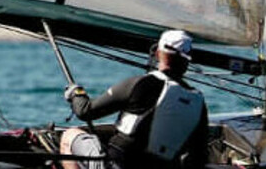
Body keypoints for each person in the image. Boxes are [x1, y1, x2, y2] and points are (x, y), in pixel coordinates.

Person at [59, 30, 209, 169]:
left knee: (69, 136)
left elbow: (85, 111)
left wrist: (76, 93)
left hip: (117, 164)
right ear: (187, 61)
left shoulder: (140, 84)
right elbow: (199, 157)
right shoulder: (197, 101)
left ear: (157, 53)